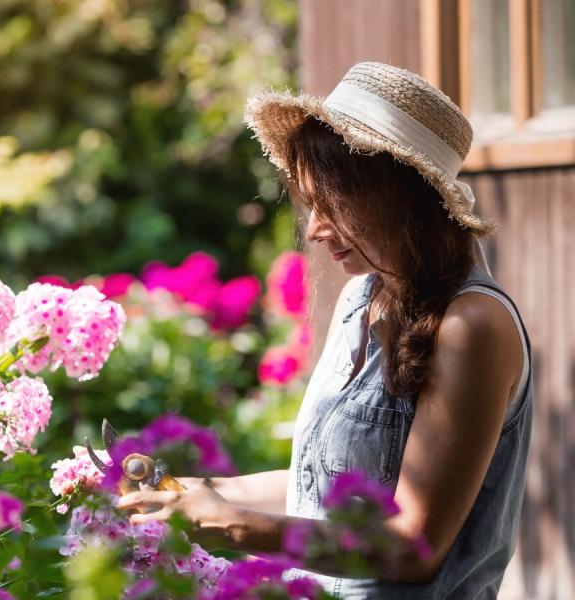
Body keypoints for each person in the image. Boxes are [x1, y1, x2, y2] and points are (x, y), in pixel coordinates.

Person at [118, 62, 533, 598]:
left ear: (395, 197)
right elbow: (318, 490)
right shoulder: (362, 298)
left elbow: (413, 547)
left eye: (331, 205)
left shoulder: (472, 326)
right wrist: (202, 492)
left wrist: (232, 525)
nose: (314, 229)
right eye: (310, 205)